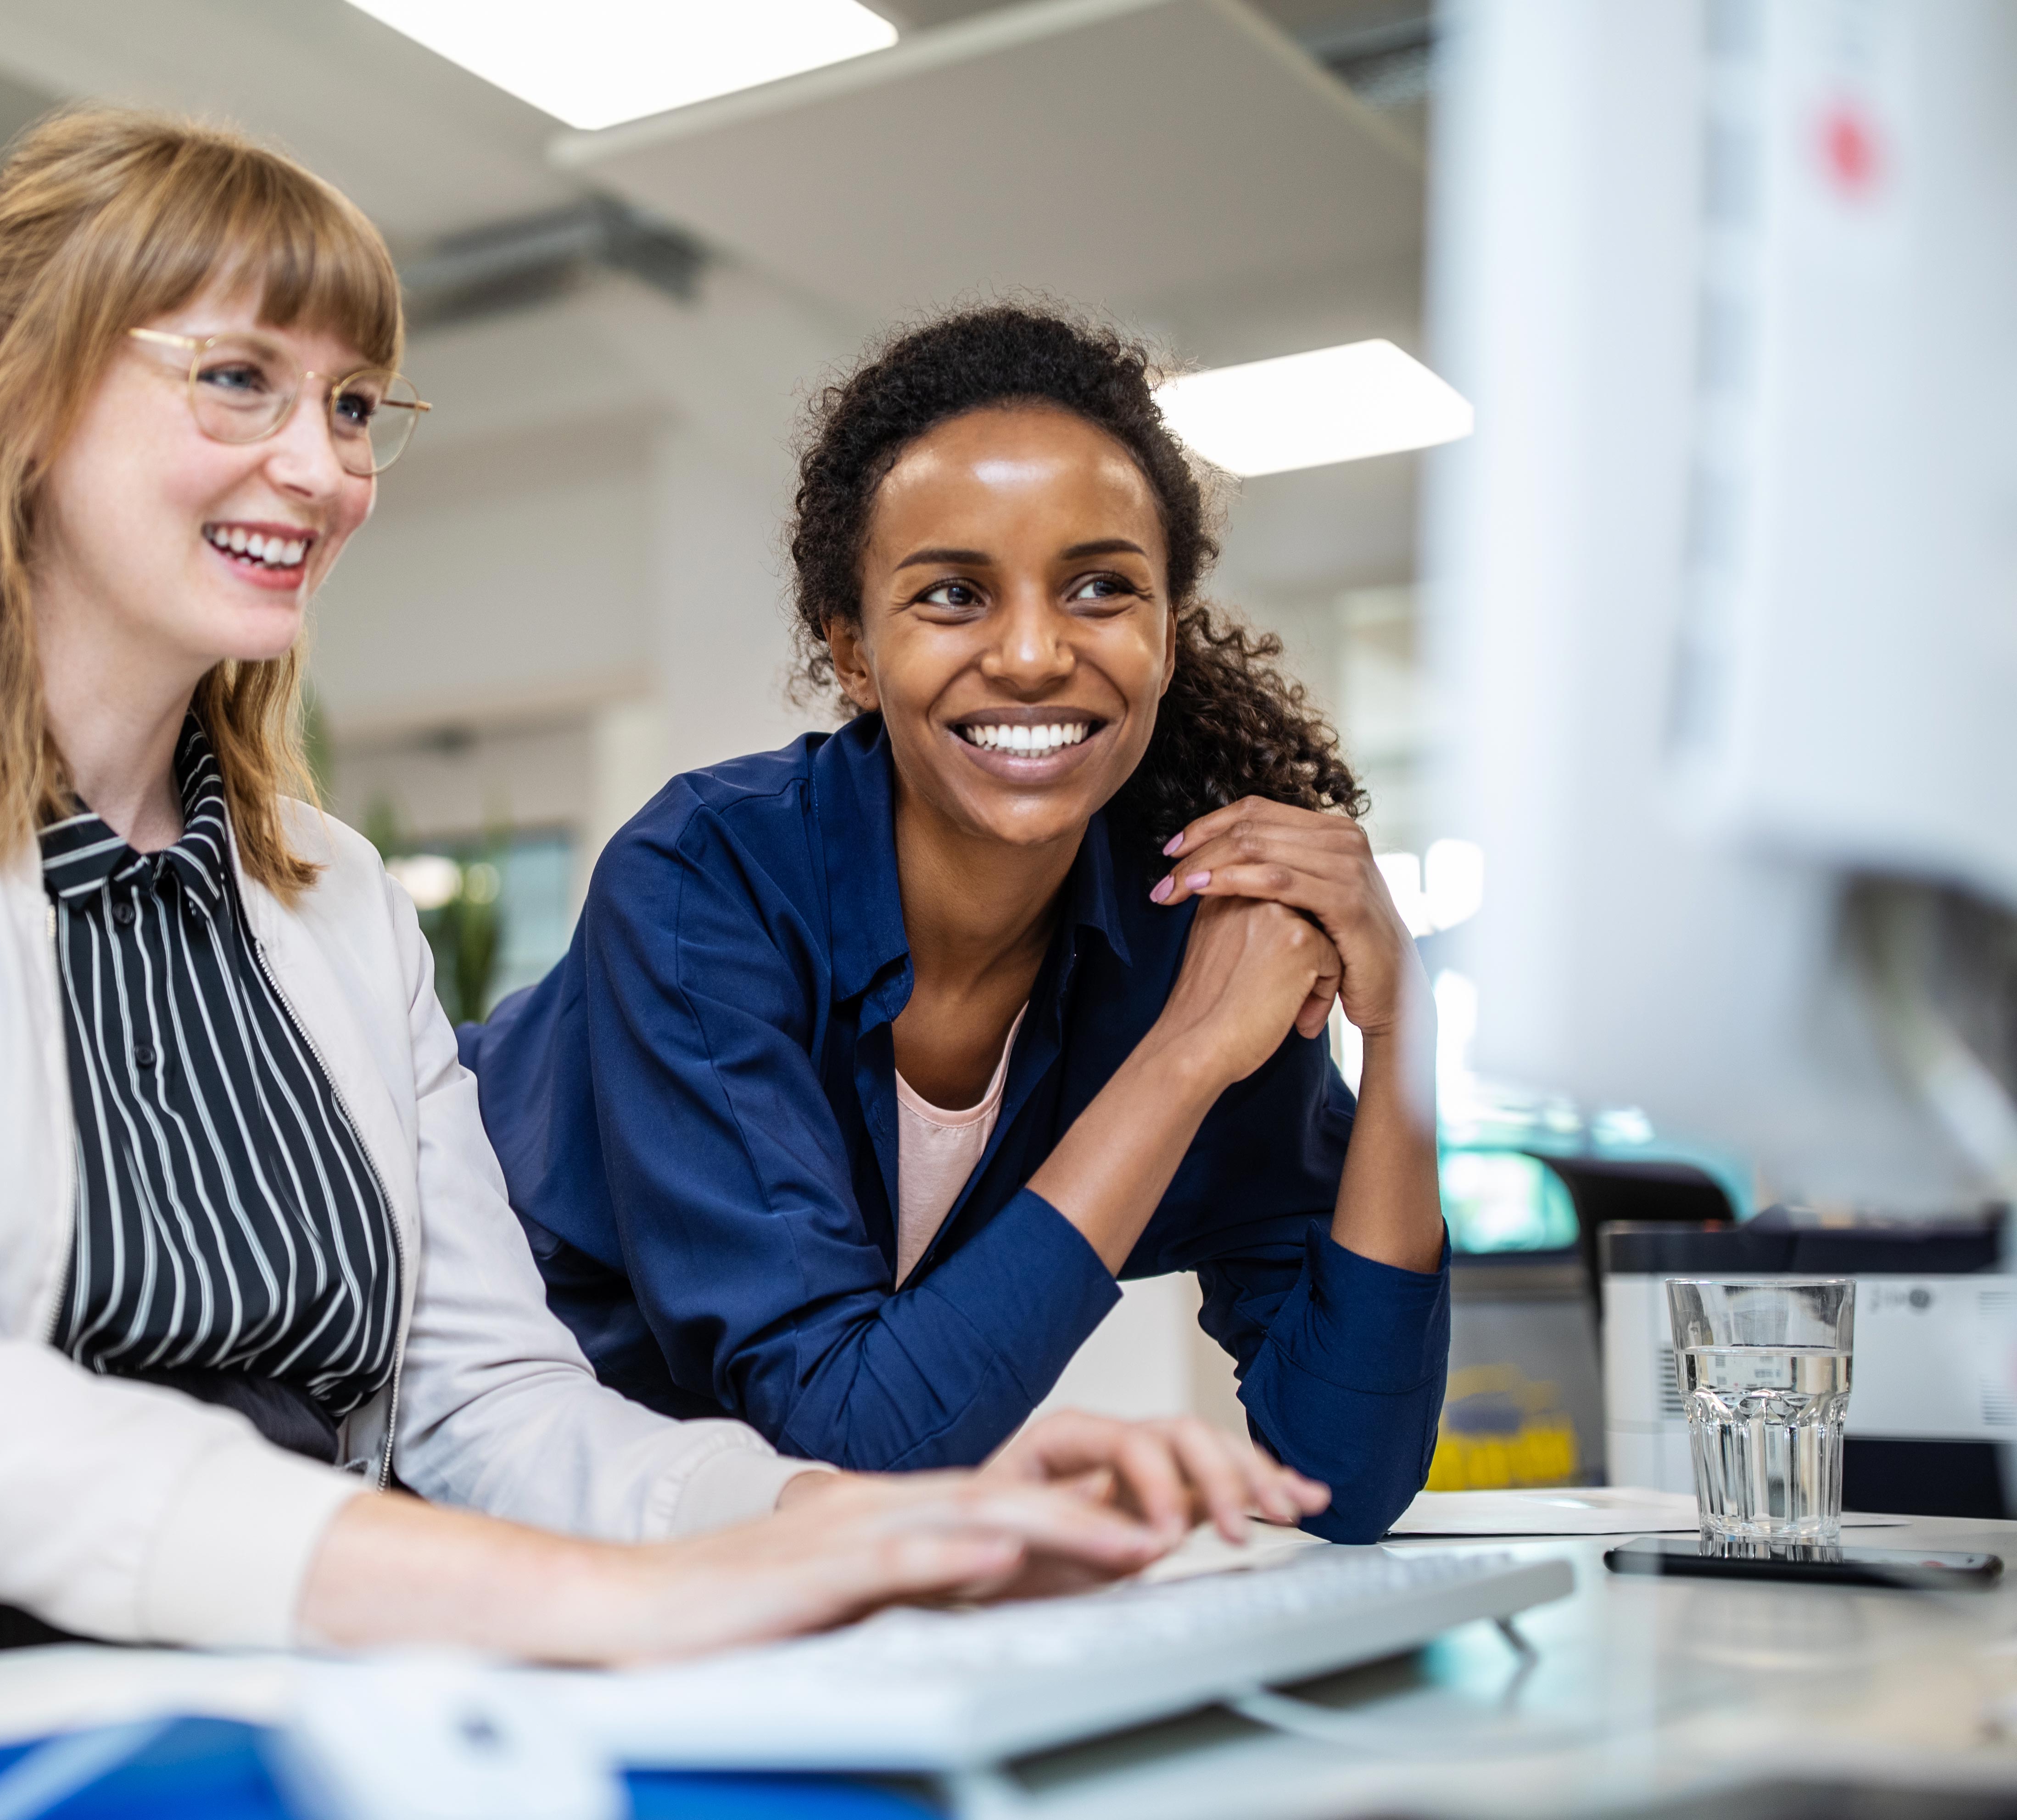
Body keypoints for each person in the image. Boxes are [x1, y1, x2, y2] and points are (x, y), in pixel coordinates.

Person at [0, 117, 1323, 1686]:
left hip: (300, 1663)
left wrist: (880, 1522)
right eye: (238, 379)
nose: (321, 468)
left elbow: (484, 1405)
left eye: (355, 404)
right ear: (19, 391)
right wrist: (571, 1600)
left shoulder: (331, 898)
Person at [462, 307, 1449, 1541]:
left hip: (745, 1547)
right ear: (855, 654)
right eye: (952, 595)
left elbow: (1342, 1473)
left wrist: (1398, 1016)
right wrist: (1185, 1059)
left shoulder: (1186, 931)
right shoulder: (704, 879)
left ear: (1163, 632)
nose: (1033, 653)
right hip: (447, 1455)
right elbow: (850, 1432)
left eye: (1100, 588)